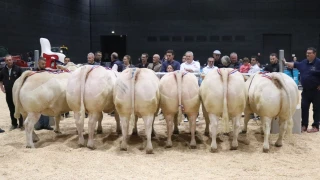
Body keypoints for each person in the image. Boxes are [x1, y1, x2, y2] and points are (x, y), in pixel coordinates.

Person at [283, 47, 320, 133]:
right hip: (306, 91)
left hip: (316, 91)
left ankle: (315, 126)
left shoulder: (318, 63)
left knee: (316, 109)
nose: (307, 54)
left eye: (310, 53)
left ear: (314, 54)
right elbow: (294, 64)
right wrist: (285, 62)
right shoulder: (304, 62)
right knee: (304, 108)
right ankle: (304, 125)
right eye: (307, 53)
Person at [0, 54, 24, 130]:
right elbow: (0, 80)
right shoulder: (3, 70)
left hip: (17, 92)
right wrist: (2, 88)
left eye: (10, 60)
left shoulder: (18, 69)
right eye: (7, 60)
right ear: (5, 61)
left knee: (19, 107)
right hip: (8, 92)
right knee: (11, 108)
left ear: (12, 60)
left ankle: (21, 124)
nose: (9, 61)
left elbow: (22, 79)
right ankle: (14, 124)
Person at [33, 57, 54, 131]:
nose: (44, 65)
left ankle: (46, 124)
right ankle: (40, 124)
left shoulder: (46, 71)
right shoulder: (33, 72)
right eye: (42, 64)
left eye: (45, 64)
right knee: (38, 109)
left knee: (46, 108)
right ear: (38, 63)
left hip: (46, 92)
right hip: (37, 93)